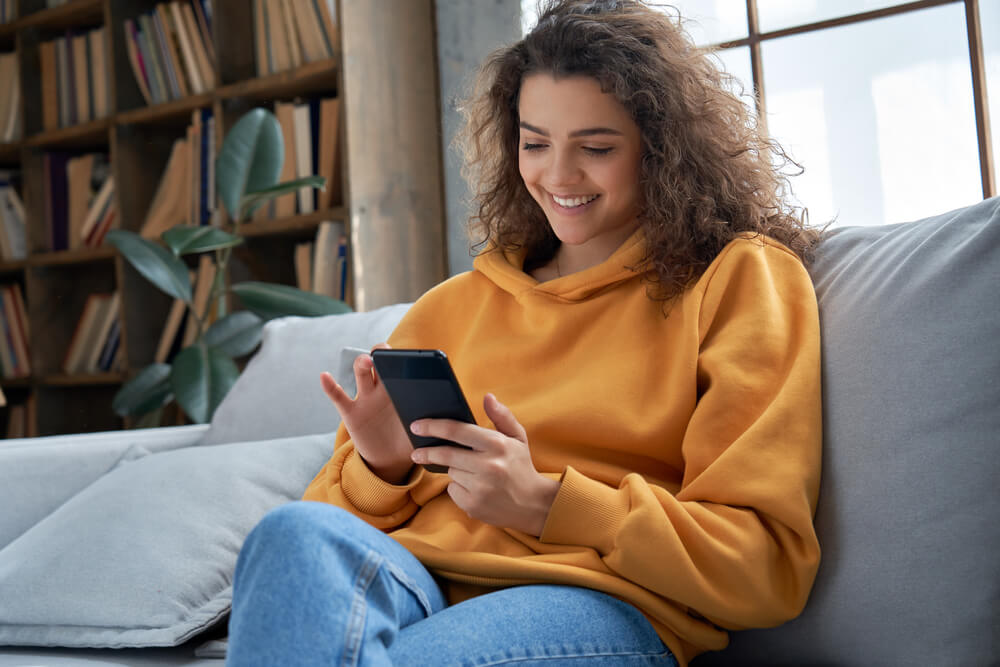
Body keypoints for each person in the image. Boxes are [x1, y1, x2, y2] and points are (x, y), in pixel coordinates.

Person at [225, 1, 823, 665]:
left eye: (595, 148)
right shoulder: (452, 306)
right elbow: (334, 540)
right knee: (292, 535)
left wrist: (546, 502)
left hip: (597, 598)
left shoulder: (738, 279)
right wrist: (382, 467)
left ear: (662, 150)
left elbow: (764, 565)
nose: (559, 177)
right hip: (419, 581)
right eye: (535, 143)